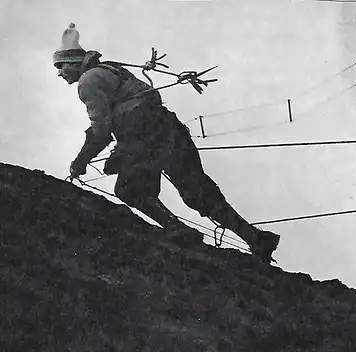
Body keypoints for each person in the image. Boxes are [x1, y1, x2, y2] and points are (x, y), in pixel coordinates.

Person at [53, 23, 280, 262]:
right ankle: (254, 237)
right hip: (166, 126)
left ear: (75, 62)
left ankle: (178, 230)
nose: (60, 72)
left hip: (143, 135)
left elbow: (101, 130)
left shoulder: (88, 82)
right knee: (196, 189)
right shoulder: (110, 70)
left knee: (129, 189)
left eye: (61, 66)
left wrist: (80, 162)